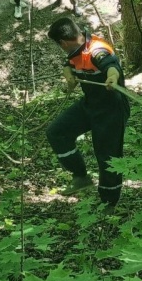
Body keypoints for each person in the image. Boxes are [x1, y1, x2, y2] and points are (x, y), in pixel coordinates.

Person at [46, 17, 130, 209]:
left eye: (59, 46)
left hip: (111, 110)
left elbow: (110, 65)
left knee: (107, 156)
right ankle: (80, 176)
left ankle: (109, 202)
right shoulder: (77, 46)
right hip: (89, 104)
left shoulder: (97, 49)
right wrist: (68, 72)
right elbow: (70, 61)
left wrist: (112, 77)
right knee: (57, 132)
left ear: (63, 42)